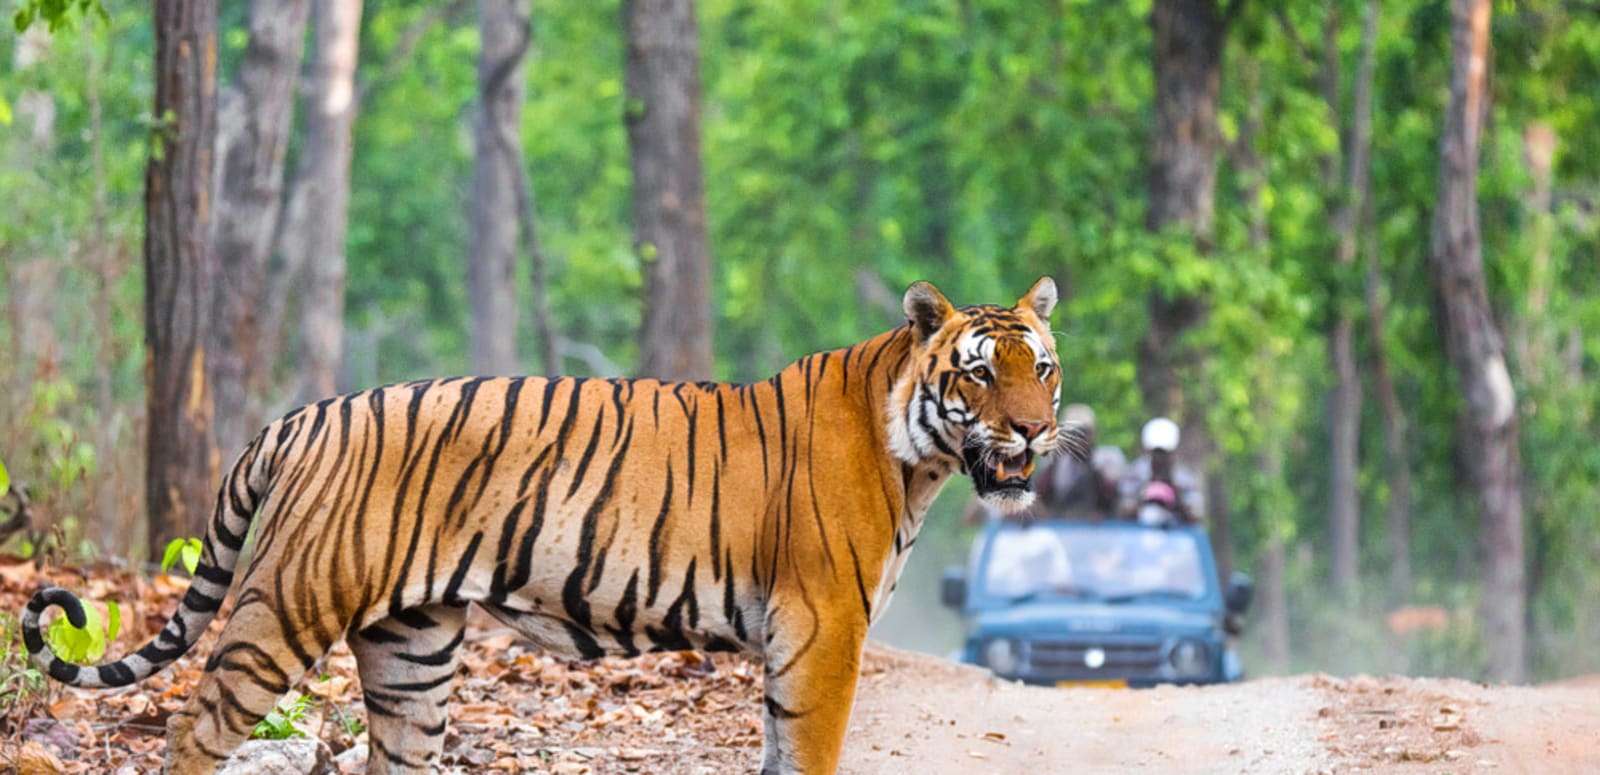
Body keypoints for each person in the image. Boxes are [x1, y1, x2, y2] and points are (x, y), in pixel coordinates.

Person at [1119, 417, 1204, 524]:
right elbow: (1123, 511)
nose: (1160, 458)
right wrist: (1145, 494)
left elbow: (1195, 515)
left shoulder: (1184, 478)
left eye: (1164, 453)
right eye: (1156, 452)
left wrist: (1176, 494)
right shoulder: (1135, 473)